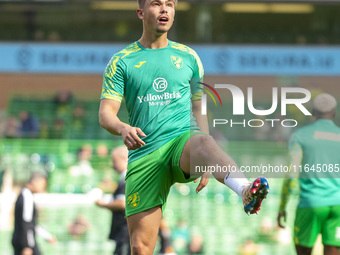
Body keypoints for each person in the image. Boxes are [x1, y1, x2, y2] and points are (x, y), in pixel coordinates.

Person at [99, 1, 269, 254]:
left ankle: (244, 190)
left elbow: (199, 108)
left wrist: (208, 162)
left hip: (182, 144)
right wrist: (123, 127)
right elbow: (105, 114)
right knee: (141, 247)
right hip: (145, 153)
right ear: (141, 12)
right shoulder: (122, 61)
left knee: (205, 142)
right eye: (157, 4)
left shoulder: (189, 57)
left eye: (170, 4)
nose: (165, 9)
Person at [277, 93, 340, 255]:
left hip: (310, 203)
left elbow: (292, 175)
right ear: (334, 112)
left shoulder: (300, 136)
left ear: (313, 112)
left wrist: (283, 207)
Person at [95, 146, 130, 255]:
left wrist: (103, 204)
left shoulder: (127, 179)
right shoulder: (124, 179)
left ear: (125, 158)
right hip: (124, 233)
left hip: (125, 233)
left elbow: (122, 204)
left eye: (115, 161)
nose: (113, 165)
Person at [12, 172, 56, 255]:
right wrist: (27, 246)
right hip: (24, 243)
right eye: (43, 184)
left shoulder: (25, 195)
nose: (43, 187)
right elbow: (26, 224)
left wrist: (47, 236)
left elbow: (31, 224)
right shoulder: (27, 197)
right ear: (36, 182)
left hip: (22, 241)